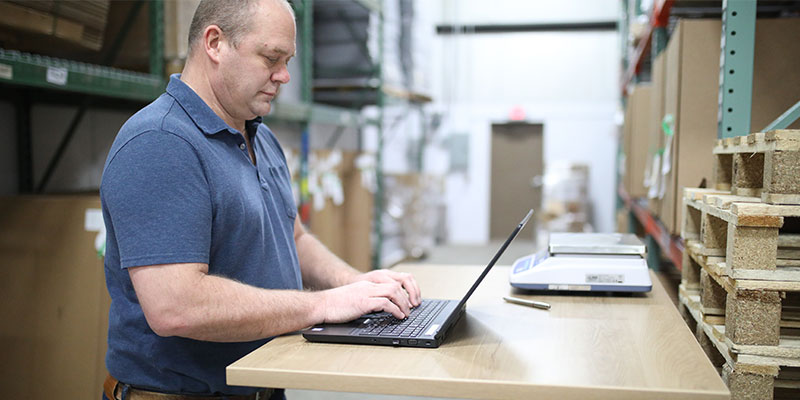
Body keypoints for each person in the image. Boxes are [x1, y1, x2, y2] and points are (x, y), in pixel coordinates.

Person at [99, 0, 421, 398]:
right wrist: (322, 306)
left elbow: (294, 238)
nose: (284, 75)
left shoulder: (260, 137)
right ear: (215, 43)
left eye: (287, 60)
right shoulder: (162, 143)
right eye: (271, 58)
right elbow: (175, 307)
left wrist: (354, 283)